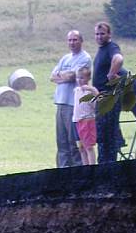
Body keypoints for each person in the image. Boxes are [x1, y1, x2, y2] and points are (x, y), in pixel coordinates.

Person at [50, 30, 91, 167]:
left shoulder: (85, 58)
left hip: (73, 105)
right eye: (70, 40)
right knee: (61, 142)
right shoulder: (65, 58)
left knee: (73, 142)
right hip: (60, 104)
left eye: (75, 40)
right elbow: (52, 77)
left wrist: (61, 76)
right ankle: (62, 171)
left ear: (81, 41)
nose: (72, 43)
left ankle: (76, 171)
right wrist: (64, 76)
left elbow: (72, 77)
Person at [92, 22, 124, 163]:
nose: (99, 36)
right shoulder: (102, 49)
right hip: (102, 98)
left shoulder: (112, 47)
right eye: (97, 34)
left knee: (108, 135)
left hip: (109, 97)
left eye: (102, 33)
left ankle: (110, 167)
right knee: (102, 136)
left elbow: (119, 58)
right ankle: (103, 167)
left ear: (109, 34)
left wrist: (112, 74)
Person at [72, 67, 99, 165]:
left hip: (87, 121)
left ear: (88, 78)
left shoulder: (91, 91)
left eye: (82, 78)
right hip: (76, 121)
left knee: (89, 147)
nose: (79, 80)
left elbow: (99, 100)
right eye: (78, 78)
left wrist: (92, 89)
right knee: (81, 147)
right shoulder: (76, 90)